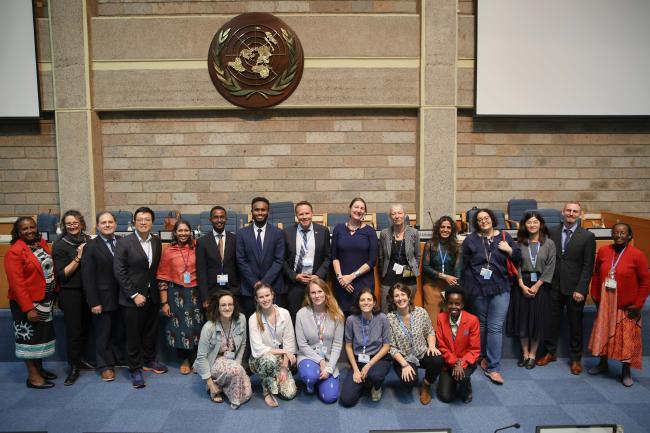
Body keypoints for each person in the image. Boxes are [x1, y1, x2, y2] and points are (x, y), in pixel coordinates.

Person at [461, 208, 521, 385]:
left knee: (495, 327)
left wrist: (509, 250)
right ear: (476, 223)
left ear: (492, 219)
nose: (483, 221)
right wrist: (467, 288)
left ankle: (493, 368)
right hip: (477, 290)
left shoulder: (504, 237)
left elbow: (518, 257)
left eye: (486, 218)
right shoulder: (471, 239)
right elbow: (464, 265)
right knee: (481, 325)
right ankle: (481, 356)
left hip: (500, 288)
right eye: (479, 220)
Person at [537, 201, 596, 375]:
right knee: (551, 322)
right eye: (568, 210)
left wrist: (581, 289)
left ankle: (576, 359)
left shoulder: (587, 237)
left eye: (574, 211)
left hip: (575, 289)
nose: (571, 213)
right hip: (553, 285)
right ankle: (550, 352)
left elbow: (588, 266)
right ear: (563, 212)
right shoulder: (552, 232)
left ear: (580, 214)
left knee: (575, 324)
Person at [588, 223, 650, 387]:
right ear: (612, 234)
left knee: (626, 339)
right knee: (603, 334)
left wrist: (638, 304)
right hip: (605, 304)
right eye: (616, 233)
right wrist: (594, 295)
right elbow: (595, 275)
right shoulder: (603, 251)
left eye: (623, 233)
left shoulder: (637, 255)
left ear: (629, 236)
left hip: (627, 306)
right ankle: (603, 364)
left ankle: (626, 371)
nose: (619, 235)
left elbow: (645, 282)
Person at [114, 206, 168, 388]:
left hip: (152, 297)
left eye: (147, 219)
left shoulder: (157, 241)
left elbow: (154, 270)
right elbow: (119, 272)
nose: (143, 222)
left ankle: (149, 360)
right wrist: (134, 294)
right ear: (134, 223)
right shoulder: (124, 242)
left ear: (152, 222)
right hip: (132, 299)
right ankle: (135, 368)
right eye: (140, 220)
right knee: (133, 336)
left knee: (150, 332)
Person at [5, 217, 57, 389]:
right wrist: (28, 308)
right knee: (28, 341)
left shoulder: (41, 243)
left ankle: (40, 369)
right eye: (25, 229)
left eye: (32, 227)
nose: (29, 231)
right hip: (27, 305)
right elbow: (17, 284)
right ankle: (33, 377)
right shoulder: (14, 251)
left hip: (44, 302)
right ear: (18, 232)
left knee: (40, 339)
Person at [506, 211, 556, 369]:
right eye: (529, 222)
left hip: (541, 285)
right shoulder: (520, 243)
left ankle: (533, 355)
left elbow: (550, 267)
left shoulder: (549, 244)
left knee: (536, 321)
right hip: (522, 284)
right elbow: (517, 266)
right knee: (523, 321)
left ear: (540, 224)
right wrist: (521, 284)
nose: (532, 225)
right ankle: (525, 354)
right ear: (524, 225)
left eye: (535, 222)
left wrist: (537, 285)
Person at [81, 211, 125, 382]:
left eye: (110, 222)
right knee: (103, 334)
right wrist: (93, 302)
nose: (107, 225)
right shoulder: (91, 246)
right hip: (102, 299)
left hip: (122, 297)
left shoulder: (121, 242)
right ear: (97, 226)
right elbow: (88, 277)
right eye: (103, 222)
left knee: (117, 332)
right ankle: (104, 366)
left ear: (115, 224)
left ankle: (115, 359)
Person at [52, 210, 94, 386]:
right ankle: (73, 367)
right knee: (74, 332)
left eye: (75, 222)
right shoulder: (60, 245)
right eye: (68, 223)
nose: (72, 226)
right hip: (70, 293)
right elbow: (62, 274)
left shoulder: (89, 240)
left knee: (85, 328)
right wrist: (78, 256)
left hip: (87, 292)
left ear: (81, 223)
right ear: (64, 226)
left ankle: (80, 360)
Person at [157, 219, 203, 375]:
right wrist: (164, 302)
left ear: (190, 232)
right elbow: (162, 277)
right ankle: (183, 359)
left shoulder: (198, 247)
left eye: (186, 230)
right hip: (176, 293)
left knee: (196, 326)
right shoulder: (169, 251)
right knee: (179, 327)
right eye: (180, 231)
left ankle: (196, 359)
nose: (183, 233)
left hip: (195, 293)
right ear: (175, 233)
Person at [386, 283, 443, 405]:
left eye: (403, 294)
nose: (400, 298)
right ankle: (409, 372)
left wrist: (432, 346)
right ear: (392, 299)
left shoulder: (420, 312)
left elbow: (429, 331)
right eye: (396, 296)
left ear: (409, 296)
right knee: (409, 383)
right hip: (404, 358)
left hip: (422, 353)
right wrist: (404, 365)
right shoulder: (389, 318)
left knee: (437, 360)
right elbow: (391, 347)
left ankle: (426, 384)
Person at [195, 290, 251, 408]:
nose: (227, 308)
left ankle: (222, 385)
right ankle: (214, 386)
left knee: (247, 393)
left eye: (230, 304)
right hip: (214, 360)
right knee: (236, 372)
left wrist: (238, 363)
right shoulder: (208, 327)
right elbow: (201, 357)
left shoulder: (241, 318)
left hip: (233, 359)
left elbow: (243, 344)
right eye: (223, 305)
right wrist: (210, 383)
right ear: (217, 307)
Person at [294, 277, 344, 404]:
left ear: (326, 293)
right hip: (308, 357)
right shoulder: (301, 314)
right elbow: (302, 345)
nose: (317, 296)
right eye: (313, 292)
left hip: (328, 360)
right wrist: (320, 361)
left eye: (320, 291)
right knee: (310, 377)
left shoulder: (337, 315)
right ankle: (312, 382)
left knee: (330, 398)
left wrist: (329, 368)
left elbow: (337, 345)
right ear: (309, 296)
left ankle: (321, 379)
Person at [248, 282, 297, 407]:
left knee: (289, 394)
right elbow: (258, 349)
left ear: (273, 295)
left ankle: (274, 378)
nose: (265, 299)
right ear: (256, 299)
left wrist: (284, 367)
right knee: (268, 360)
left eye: (267, 295)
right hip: (259, 359)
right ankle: (267, 391)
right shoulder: (253, 319)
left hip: (280, 359)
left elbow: (289, 342)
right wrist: (284, 351)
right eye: (261, 297)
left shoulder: (284, 313)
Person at [340, 288, 391, 407]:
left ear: (374, 303)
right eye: (362, 300)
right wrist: (356, 370)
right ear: (358, 303)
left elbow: (386, 346)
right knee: (347, 400)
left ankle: (376, 387)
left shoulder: (382, 318)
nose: (366, 302)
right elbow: (348, 346)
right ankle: (365, 380)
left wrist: (369, 365)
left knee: (376, 375)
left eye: (369, 299)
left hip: (378, 359)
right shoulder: (351, 320)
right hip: (358, 360)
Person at [236, 197, 286, 316]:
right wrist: (255, 283)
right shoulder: (242, 234)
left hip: (272, 287)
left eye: (263, 210)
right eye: (256, 210)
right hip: (249, 289)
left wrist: (264, 283)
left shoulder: (278, 233)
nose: (260, 213)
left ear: (268, 212)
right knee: (252, 324)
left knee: (274, 324)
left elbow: (279, 260)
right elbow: (240, 260)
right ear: (251, 212)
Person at [283, 200, 331, 321]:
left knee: (316, 316)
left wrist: (318, 276)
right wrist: (294, 276)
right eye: (301, 214)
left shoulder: (323, 231)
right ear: (296, 216)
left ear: (312, 214)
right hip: (295, 284)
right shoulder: (287, 232)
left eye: (307, 213)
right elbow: (282, 260)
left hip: (315, 283)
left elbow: (328, 257)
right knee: (295, 317)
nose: (304, 217)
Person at [332, 197, 379, 314]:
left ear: (364, 213)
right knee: (343, 317)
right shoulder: (338, 229)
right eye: (356, 207)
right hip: (341, 283)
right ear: (349, 209)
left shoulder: (370, 231)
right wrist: (341, 279)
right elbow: (334, 257)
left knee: (363, 316)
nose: (359, 210)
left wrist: (351, 277)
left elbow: (372, 261)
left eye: (362, 208)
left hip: (363, 283)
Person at [436, 285, 480, 404]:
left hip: (466, 362)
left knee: (463, 377)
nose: (453, 307)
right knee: (445, 397)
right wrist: (455, 362)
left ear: (463, 304)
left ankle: (466, 386)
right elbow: (441, 346)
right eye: (450, 303)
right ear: (446, 303)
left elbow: (474, 349)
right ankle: (453, 380)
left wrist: (461, 363)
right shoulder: (441, 318)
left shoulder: (472, 320)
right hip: (449, 362)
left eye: (457, 303)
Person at [196, 205, 240, 310]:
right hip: (212, 292)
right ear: (210, 219)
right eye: (216, 217)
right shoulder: (202, 242)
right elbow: (201, 271)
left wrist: (239, 289)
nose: (219, 220)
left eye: (222, 217)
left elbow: (239, 265)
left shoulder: (235, 239)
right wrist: (205, 297)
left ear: (226, 219)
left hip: (233, 290)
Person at [379, 204, 420, 312]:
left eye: (399, 213)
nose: (397, 216)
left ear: (404, 215)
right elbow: (381, 257)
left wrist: (411, 270)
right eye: (393, 213)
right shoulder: (384, 234)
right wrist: (383, 274)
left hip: (408, 277)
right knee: (386, 311)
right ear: (390, 216)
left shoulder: (414, 233)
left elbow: (417, 256)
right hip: (389, 277)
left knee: (407, 310)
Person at [422, 215, 462, 325]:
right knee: (432, 321)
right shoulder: (430, 244)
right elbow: (425, 268)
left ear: (452, 229)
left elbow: (457, 270)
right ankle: (432, 342)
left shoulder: (457, 246)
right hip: (432, 285)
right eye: (442, 227)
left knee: (449, 321)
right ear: (438, 228)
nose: (445, 230)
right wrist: (444, 276)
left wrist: (454, 288)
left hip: (450, 286)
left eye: (448, 227)